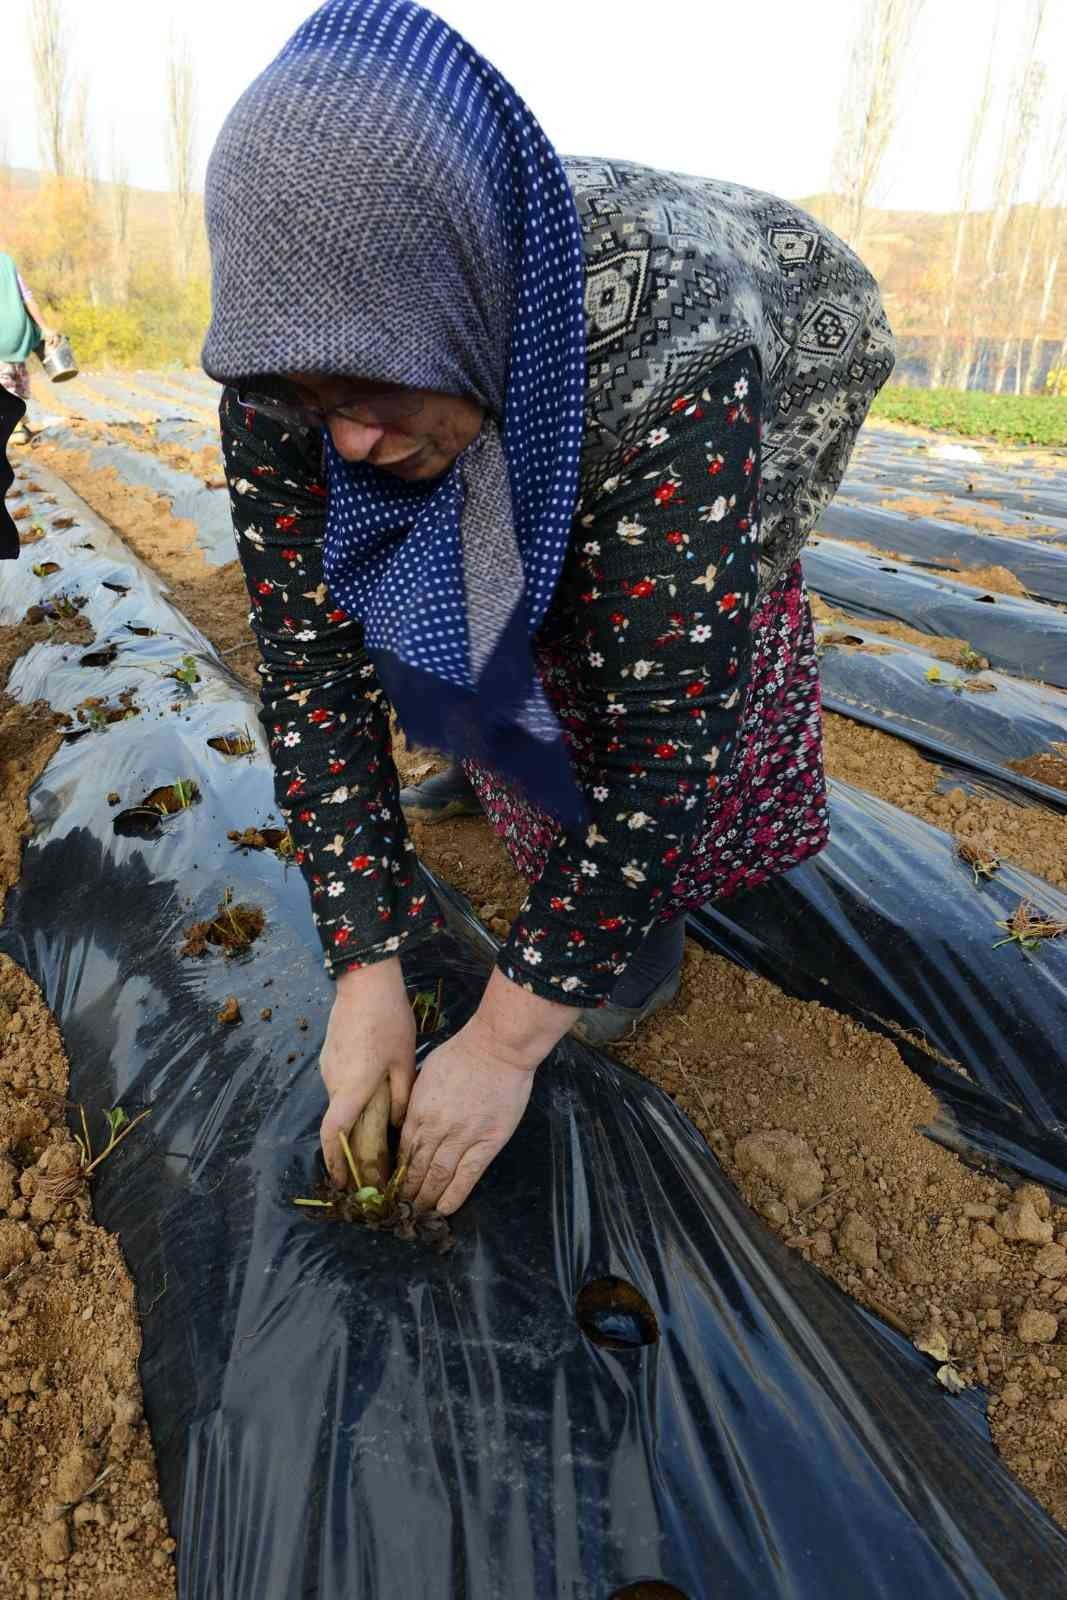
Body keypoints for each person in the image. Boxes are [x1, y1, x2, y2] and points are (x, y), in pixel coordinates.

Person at [204, 0, 894, 1218]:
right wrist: (362, 964)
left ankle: (630, 926)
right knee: (445, 557)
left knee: (606, 640)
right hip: (510, 374)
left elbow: (669, 723)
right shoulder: (286, 375)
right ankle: (489, 758)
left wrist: (509, 1035)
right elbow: (310, 666)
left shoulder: (667, 329)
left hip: (778, 329)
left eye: (370, 385)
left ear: (457, 305)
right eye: (316, 401)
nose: (347, 434)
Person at [0, 252, 58, 446]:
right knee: (13, 376)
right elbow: (27, 297)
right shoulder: (6, 260)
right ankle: (20, 419)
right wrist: (44, 327)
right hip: (18, 330)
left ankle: (15, 430)